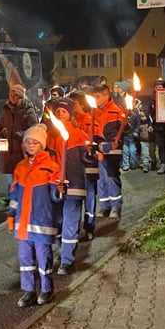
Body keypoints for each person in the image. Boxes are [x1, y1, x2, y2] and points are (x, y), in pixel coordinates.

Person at [7, 123, 64, 308]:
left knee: (44, 258)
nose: (30, 145)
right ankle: (29, 290)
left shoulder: (51, 167)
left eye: (35, 142)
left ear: (42, 145)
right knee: (25, 259)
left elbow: (56, 198)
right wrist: (11, 214)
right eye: (28, 142)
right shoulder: (20, 167)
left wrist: (60, 190)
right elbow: (14, 195)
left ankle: (46, 289)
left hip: (42, 222)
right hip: (23, 223)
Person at [47, 98, 90, 275]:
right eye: (57, 111)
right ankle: (61, 248)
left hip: (73, 185)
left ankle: (67, 260)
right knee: (56, 222)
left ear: (70, 114)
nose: (60, 114)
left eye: (63, 111)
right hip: (54, 187)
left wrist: (92, 153)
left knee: (70, 223)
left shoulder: (79, 135)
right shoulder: (49, 136)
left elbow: (88, 158)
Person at [0, 83, 39, 202]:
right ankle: (12, 198)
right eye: (10, 94)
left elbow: (33, 130)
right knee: (10, 175)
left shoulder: (28, 110)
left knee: (21, 174)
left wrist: (18, 134)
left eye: (15, 95)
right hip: (8, 149)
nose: (12, 97)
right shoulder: (5, 109)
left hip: (21, 150)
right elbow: (1, 126)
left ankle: (20, 198)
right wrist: (1, 133)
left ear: (21, 96)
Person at [67, 90, 100, 239]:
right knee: (74, 200)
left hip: (89, 168)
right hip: (74, 170)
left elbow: (98, 141)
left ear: (80, 104)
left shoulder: (90, 122)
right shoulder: (68, 124)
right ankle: (73, 229)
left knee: (90, 197)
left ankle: (89, 226)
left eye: (72, 103)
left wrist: (92, 147)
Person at [91, 84, 127, 219]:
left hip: (112, 153)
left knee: (111, 177)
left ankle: (116, 206)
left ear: (106, 96)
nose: (95, 99)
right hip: (98, 152)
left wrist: (114, 142)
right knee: (100, 180)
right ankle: (105, 206)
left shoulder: (116, 111)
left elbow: (125, 130)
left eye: (98, 96)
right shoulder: (93, 112)